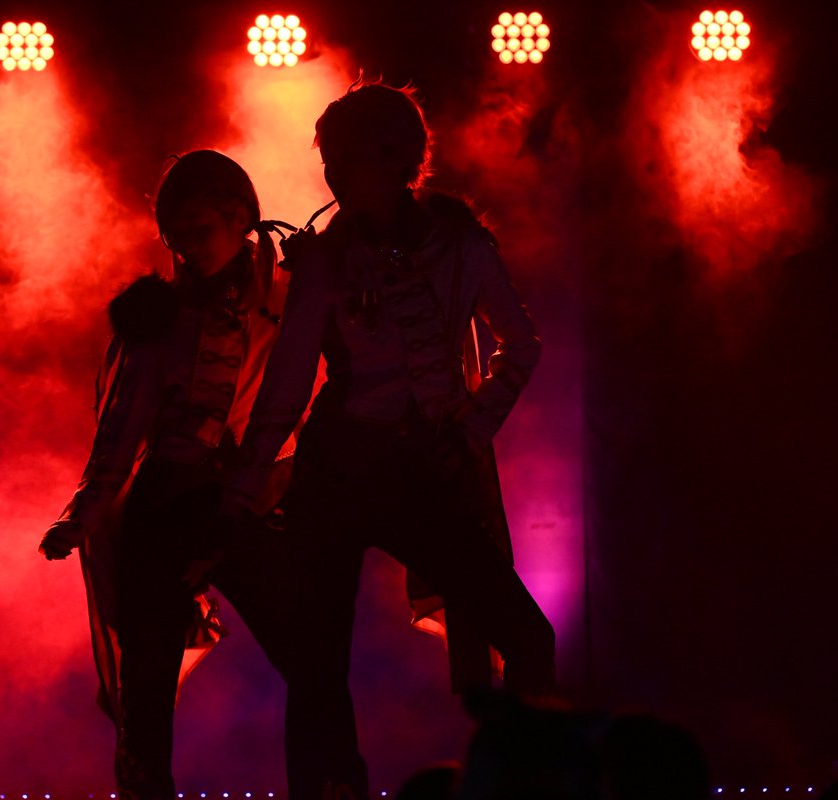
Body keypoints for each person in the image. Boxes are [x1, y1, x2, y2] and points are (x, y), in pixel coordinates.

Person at [223, 81, 557, 800]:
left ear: (401, 158)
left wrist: (470, 429)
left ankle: (518, 786)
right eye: (329, 159)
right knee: (316, 667)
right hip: (337, 470)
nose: (333, 173)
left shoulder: (461, 247)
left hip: (418, 469)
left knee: (528, 637)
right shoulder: (322, 262)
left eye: (350, 156)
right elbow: (288, 383)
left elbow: (522, 345)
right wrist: (246, 485)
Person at [38, 150, 299, 800]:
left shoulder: (286, 295)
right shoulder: (158, 320)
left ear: (240, 218)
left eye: (200, 231)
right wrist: (82, 513)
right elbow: (120, 430)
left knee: (307, 654)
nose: (187, 250)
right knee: (146, 688)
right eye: (176, 238)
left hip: (240, 502)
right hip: (164, 509)